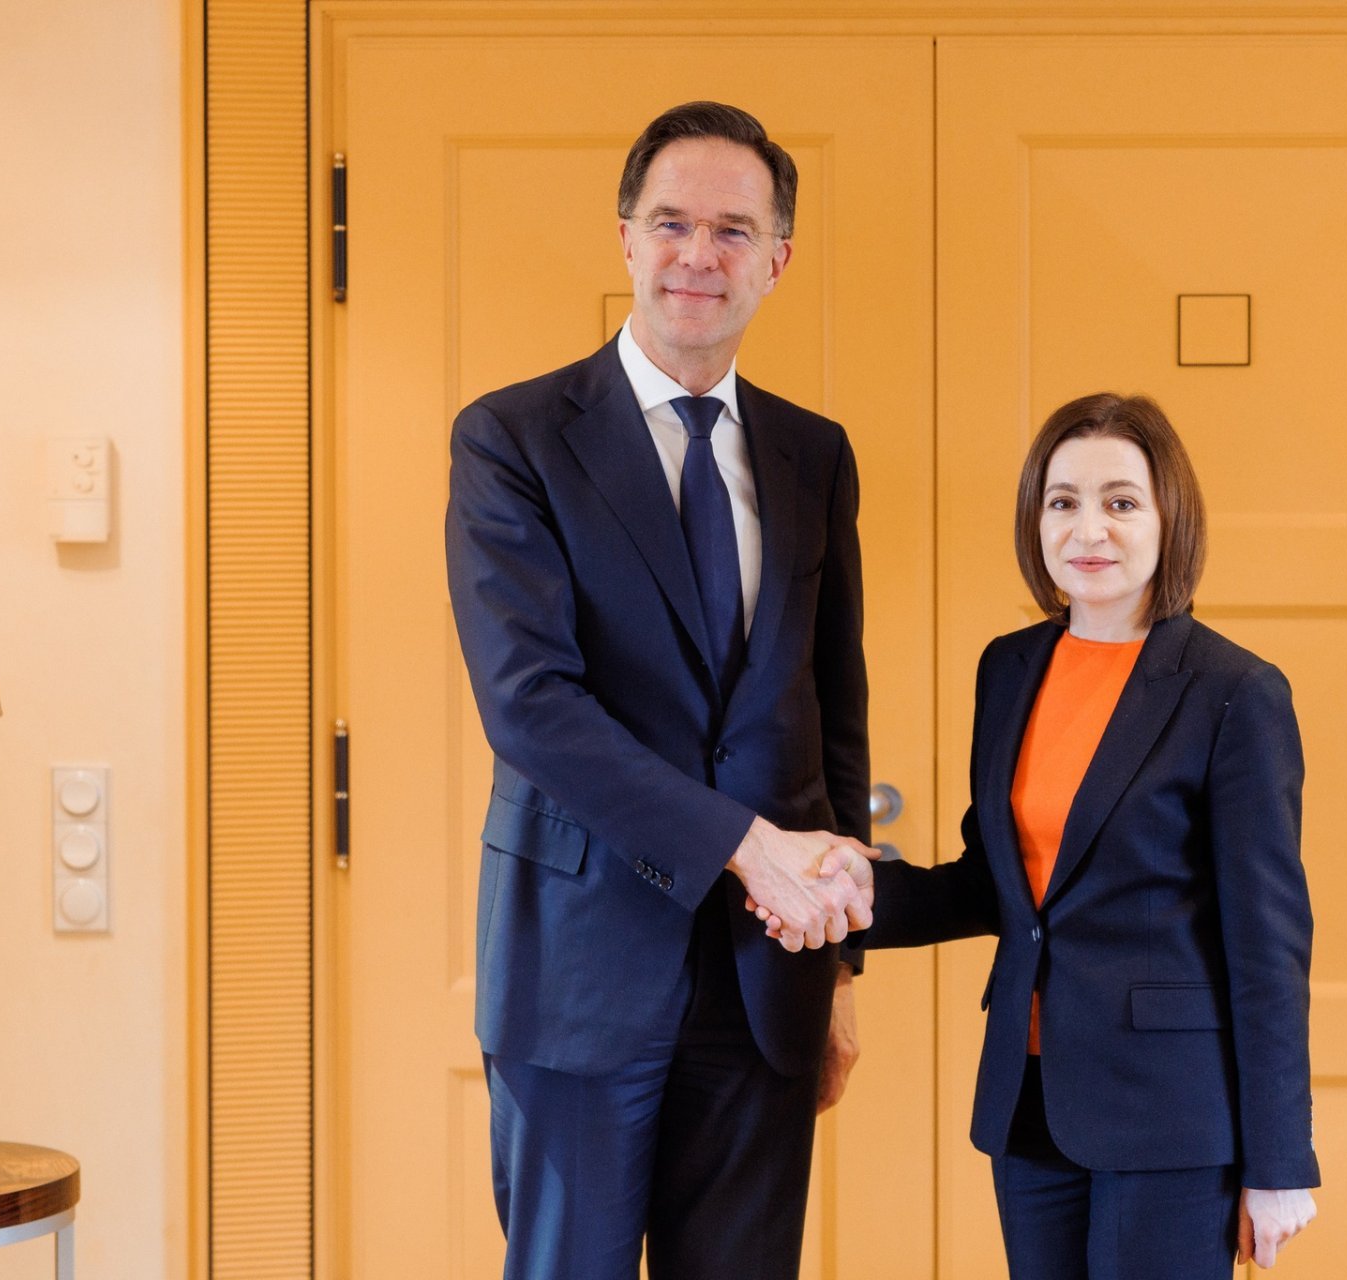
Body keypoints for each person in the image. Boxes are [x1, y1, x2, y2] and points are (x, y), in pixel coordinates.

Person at [445, 101, 876, 1280]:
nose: (699, 253)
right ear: (626, 238)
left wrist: (840, 966)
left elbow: (831, 717)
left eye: (735, 230)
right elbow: (532, 706)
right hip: (577, 974)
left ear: (778, 259)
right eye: (673, 222)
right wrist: (747, 846)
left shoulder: (814, 455)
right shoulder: (514, 439)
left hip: (765, 984)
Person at [760, 392, 1320, 1276]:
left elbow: (1269, 945)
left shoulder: (1234, 693)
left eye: (1120, 501)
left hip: (1169, 1118)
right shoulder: (1011, 668)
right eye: (1063, 501)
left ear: (1170, 518)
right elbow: (998, 883)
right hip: (1028, 1103)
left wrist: (1281, 1163)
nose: (1088, 529)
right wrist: (857, 892)